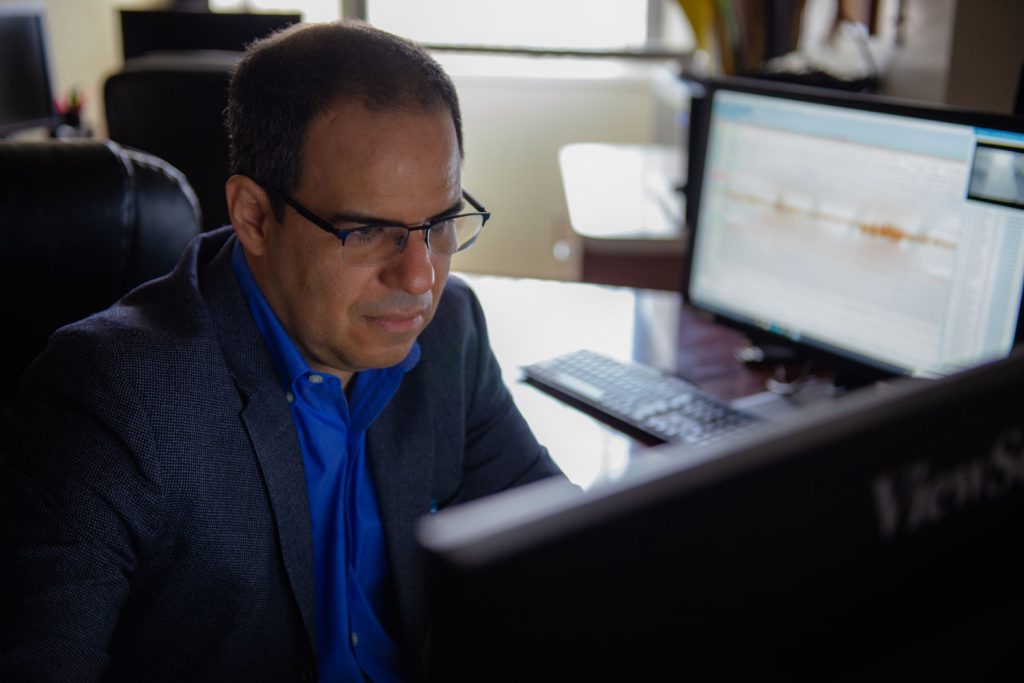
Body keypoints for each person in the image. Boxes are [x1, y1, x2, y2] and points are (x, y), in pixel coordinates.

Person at [0, 21, 562, 682]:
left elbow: (555, 550)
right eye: (368, 231)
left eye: (439, 226)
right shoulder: (111, 400)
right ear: (253, 217)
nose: (420, 277)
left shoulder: (449, 333)